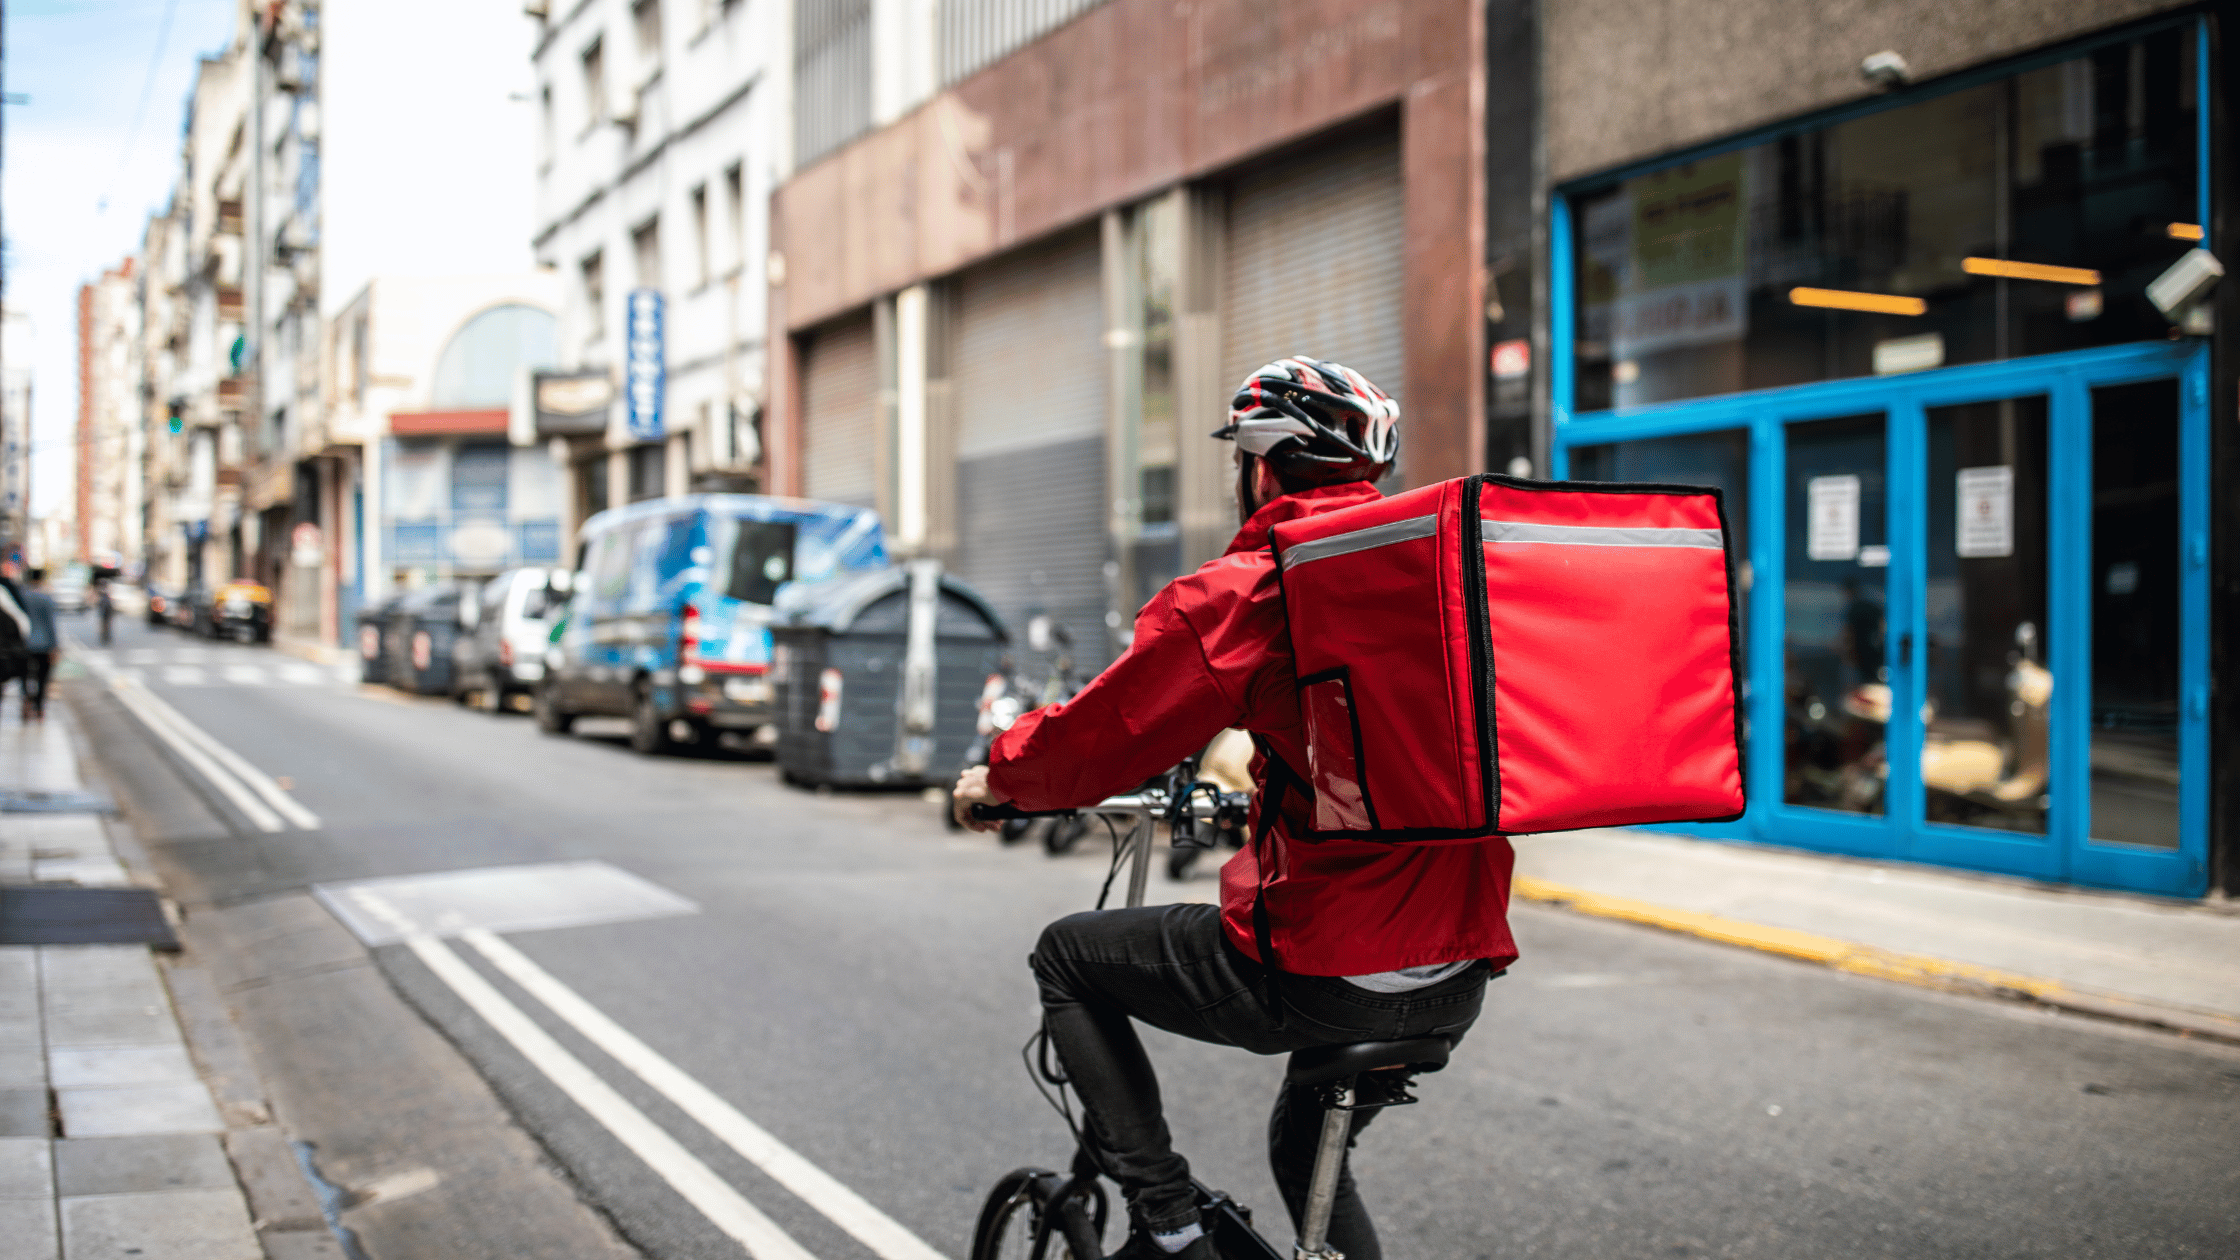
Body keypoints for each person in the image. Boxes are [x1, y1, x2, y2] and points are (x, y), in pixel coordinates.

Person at [954, 358, 1518, 1260]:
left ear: (1260, 469)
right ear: (1368, 473)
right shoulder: (1439, 581)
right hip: (1459, 967)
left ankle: (1172, 1223)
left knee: (1069, 955)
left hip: (1333, 964)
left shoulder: (1257, 587)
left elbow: (1104, 736)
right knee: (1305, 1145)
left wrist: (1002, 781)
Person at [17, 569, 58, 720]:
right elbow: (51, 624)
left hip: (24, 643)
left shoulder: (21, 597)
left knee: (25, 675)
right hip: (44, 644)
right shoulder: (46, 598)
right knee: (42, 676)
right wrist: (55, 646)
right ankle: (39, 707)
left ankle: (26, 698)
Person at [95, 578, 115, 646]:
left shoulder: (106, 590)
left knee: (106, 622)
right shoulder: (102, 590)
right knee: (105, 622)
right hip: (104, 608)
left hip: (107, 608)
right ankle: (105, 635)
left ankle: (106, 635)